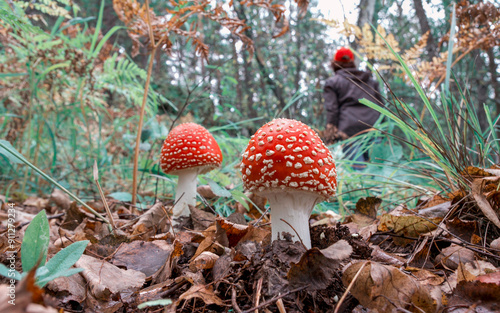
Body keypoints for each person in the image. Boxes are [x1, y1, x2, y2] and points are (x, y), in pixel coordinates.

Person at [323, 47, 383, 168]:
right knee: (377, 171)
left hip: (349, 130)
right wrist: (384, 129)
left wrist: (330, 134)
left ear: (335, 63)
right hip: (374, 128)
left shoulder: (333, 82)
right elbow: (381, 106)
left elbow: (332, 109)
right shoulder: (370, 81)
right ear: (352, 61)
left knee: (358, 170)